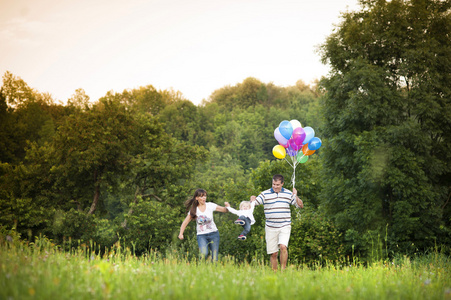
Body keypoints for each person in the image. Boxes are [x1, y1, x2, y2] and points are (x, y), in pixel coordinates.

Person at [250, 174, 303, 271]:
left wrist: (296, 195)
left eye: (277, 184)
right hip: (270, 227)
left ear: (282, 184)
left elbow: (300, 206)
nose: (275, 186)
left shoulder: (288, 193)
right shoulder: (265, 194)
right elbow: (254, 204)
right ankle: (275, 273)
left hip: (285, 225)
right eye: (273, 184)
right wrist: (252, 200)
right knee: (273, 253)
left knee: (283, 247)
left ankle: (283, 271)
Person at [178, 188, 228, 261]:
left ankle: (213, 271)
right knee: (204, 253)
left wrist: (227, 206)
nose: (204, 198)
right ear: (197, 198)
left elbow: (224, 210)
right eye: (201, 196)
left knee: (214, 257)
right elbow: (185, 222)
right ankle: (201, 268)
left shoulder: (210, 205)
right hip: (202, 235)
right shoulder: (194, 210)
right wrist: (181, 233)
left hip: (214, 234)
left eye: (204, 196)